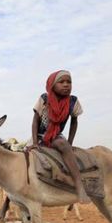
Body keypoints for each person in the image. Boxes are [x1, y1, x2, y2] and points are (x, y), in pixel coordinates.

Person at [32, 70, 90, 203]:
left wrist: (69, 142)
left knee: (63, 146)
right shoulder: (44, 99)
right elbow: (35, 120)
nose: (66, 85)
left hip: (56, 136)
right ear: (52, 85)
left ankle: (79, 186)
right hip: (40, 136)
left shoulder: (72, 101)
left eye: (69, 82)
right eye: (61, 82)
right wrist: (35, 142)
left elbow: (74, 122)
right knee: (22, 158)